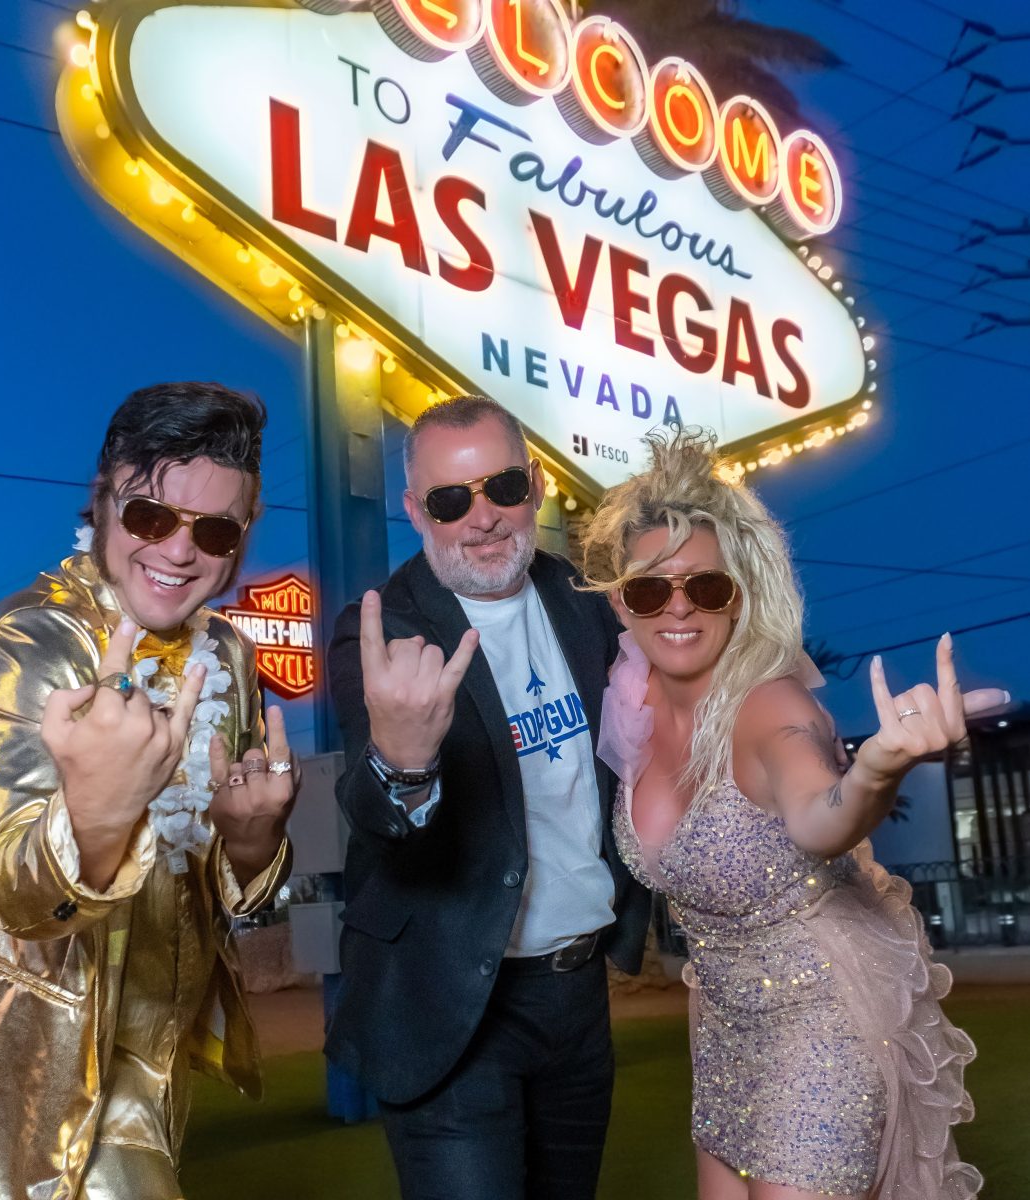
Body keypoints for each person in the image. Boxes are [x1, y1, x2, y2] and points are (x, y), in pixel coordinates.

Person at [582, 429, 1000, 1200]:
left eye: (706, 587)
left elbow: (819, 818)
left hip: (822, 1022)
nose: (678, 607)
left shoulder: (771, 706)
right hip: (721, 1028)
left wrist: (874, 769)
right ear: (621, 603)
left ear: (739, 596)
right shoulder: (631, 706)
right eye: (649, 590)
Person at [0, 382, 299, 1200]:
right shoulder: (31, 644)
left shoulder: (226, 656)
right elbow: (17, 893)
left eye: (215, 530)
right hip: (21, 1047)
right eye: (151, 516)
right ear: (104, 501)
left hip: (154, 1046)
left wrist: (254, 838)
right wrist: (95, 812)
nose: (180, 551)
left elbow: (221, 878)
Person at [326, 395, 650, 1199]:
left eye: (502, 487)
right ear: (414, 512)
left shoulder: (588, 598)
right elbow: (370, 810)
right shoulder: (380, 632)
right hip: (449, 1005)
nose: (482, 518)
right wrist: (403, 763)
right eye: (449, 500)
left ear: (534, 485)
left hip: (578, 995)